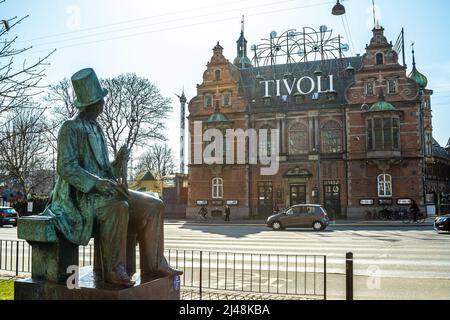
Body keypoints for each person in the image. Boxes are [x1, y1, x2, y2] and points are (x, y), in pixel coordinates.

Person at [41, 68, 181, 287]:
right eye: (100, 101)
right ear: (92, 104)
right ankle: (113, 270)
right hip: (81, 198)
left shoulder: (97, 129)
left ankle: (155, 263)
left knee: (155, 204)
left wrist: (119, 162)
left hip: (103, 192)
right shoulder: (70, 128)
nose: (103, 105)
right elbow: (66, 168)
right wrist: (98, 184)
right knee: (118, 206)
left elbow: (106, 172)